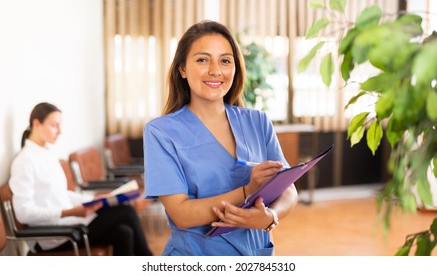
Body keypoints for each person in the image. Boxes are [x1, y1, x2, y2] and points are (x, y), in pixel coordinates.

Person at [143, 20, 298, 256]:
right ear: (182, 69)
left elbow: (288, 188)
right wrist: (246, 191)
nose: (216, 70)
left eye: (225, 60)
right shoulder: (161, 132)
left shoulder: (258, 121)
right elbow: (181, 215)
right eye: (203, 60)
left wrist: (270, 217)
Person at [9, 102, 153, 256]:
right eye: (54, 125)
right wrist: (70, 212)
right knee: (127, 212)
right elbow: (23, 212)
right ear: (36, 124)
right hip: (53, 235)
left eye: (60, 125)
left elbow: (61, 194)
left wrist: (93, 198)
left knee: (124, 233)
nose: (60, 131)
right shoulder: (24, 161)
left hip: (68, 223)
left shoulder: (46, 154)